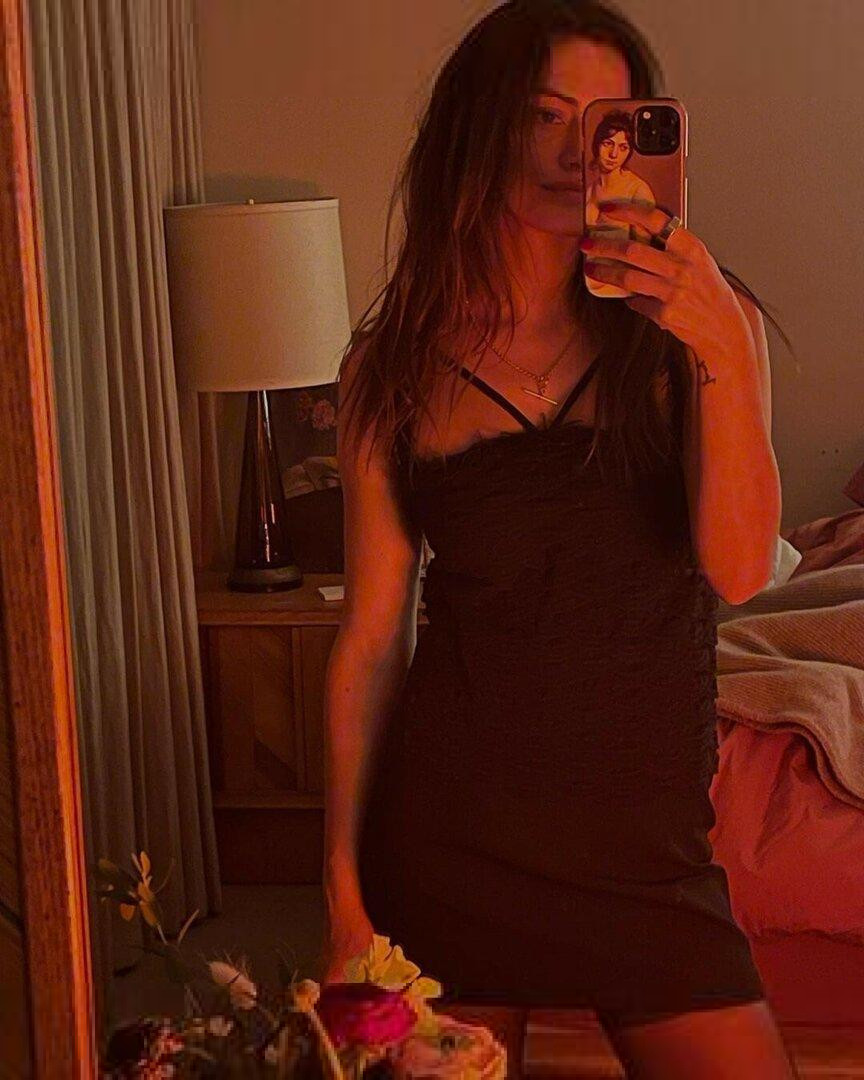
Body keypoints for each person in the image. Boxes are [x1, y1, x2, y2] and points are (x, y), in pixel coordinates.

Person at [320, 2, 799, 1077]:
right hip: (451, 843)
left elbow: (737, 567)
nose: (580, 152)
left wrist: (721, 347)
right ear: (477, 124)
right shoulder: (392, 369)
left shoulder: (698, 335)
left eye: (606, 121)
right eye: (544, 115)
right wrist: (343, 897)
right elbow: (373, 642)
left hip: (647, 858)